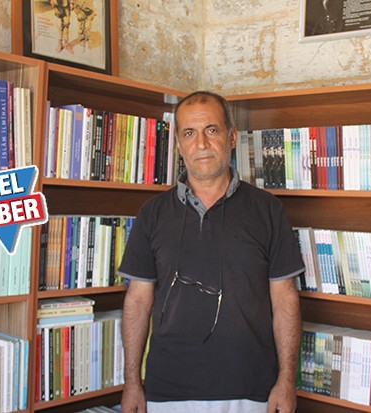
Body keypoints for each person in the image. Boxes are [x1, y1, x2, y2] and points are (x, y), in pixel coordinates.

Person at [117, 91, 305, 413]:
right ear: (179, 144)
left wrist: (286, 380)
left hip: (252, 390)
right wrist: (132, 382)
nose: (201, 143)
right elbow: (137, 302)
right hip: (167, 393)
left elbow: (285, 300)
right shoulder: (152, 214)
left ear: (231, 136)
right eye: (189, 133)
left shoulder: (268, 210)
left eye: (212, 130)